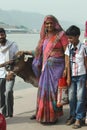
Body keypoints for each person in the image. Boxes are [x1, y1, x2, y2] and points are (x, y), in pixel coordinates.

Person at [28, 15, 68, 124]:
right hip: (46, 69)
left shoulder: (61, 35)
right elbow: (39, 53)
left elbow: (67, 53)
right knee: (43, 91)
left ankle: (52, 117)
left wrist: (66, 68)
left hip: (57, 68)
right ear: (44, 25)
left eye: (51, 23)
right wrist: (26, 52)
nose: (49, 25)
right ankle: (42, 115)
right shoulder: (44, 37)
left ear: (55, 24)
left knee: (54, 92)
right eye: (47, 23)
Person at [64, 25, 87, 129]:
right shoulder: (68, 47)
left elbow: (86, 64)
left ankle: (79, 118)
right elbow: (67, 63)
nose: (69, 40)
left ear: (77, 36)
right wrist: (68, 77)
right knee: (71, 97)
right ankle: (72, 115)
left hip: (82, 76)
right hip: (72, 76)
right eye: (68, 38)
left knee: (80, 98)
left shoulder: (84, 48)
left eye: (71, 38)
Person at [0, 28, 19, 117]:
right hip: (0, 74)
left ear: (5, 35)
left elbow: (17, 59)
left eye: (2, 34)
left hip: (10, 72)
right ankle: (3, 114)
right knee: (1, 95)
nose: (1, 37)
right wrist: (5, 63)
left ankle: (9, 113)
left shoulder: (13, 45)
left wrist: (11, 72)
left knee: (8, 92)